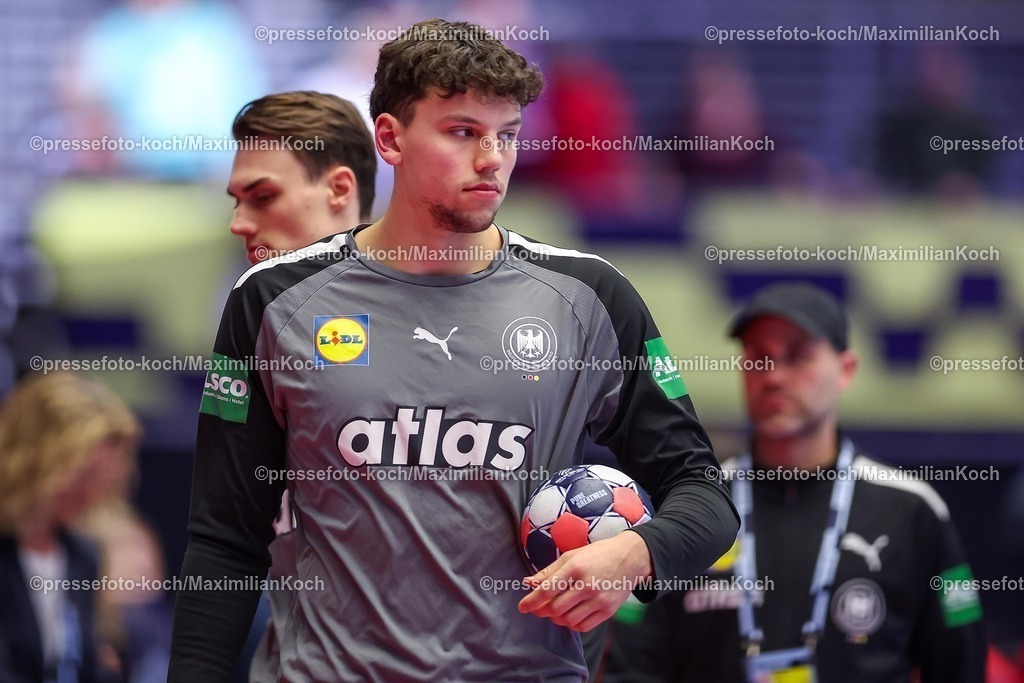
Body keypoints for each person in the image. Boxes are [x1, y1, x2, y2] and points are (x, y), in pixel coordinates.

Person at [169, 18, 738, 682]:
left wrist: (636, 553)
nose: (492, 158)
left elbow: (705, 496)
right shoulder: (273, 299)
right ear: (390, 139)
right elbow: (225, 540)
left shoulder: (588, 297)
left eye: (508, 135)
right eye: (463, 132)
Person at [601, 282, 987, 682]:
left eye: (797, 356)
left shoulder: (910, 509)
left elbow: (960, 664)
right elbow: (632, 668)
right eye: (759, 357)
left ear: (846, 369)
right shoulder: (694, 507)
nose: (774, 376)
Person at [224, 90, 378, 683]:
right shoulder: (252, 320)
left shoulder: (431, 324)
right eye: (237, 200)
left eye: (263, 197)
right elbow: (222, 535)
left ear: (339, 189)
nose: (239, 223)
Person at [0, 371, 141, 683]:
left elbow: (82, 665)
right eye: (82, 476)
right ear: (34, 459)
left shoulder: (83, 555)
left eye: (100, 479)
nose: (91, 494)